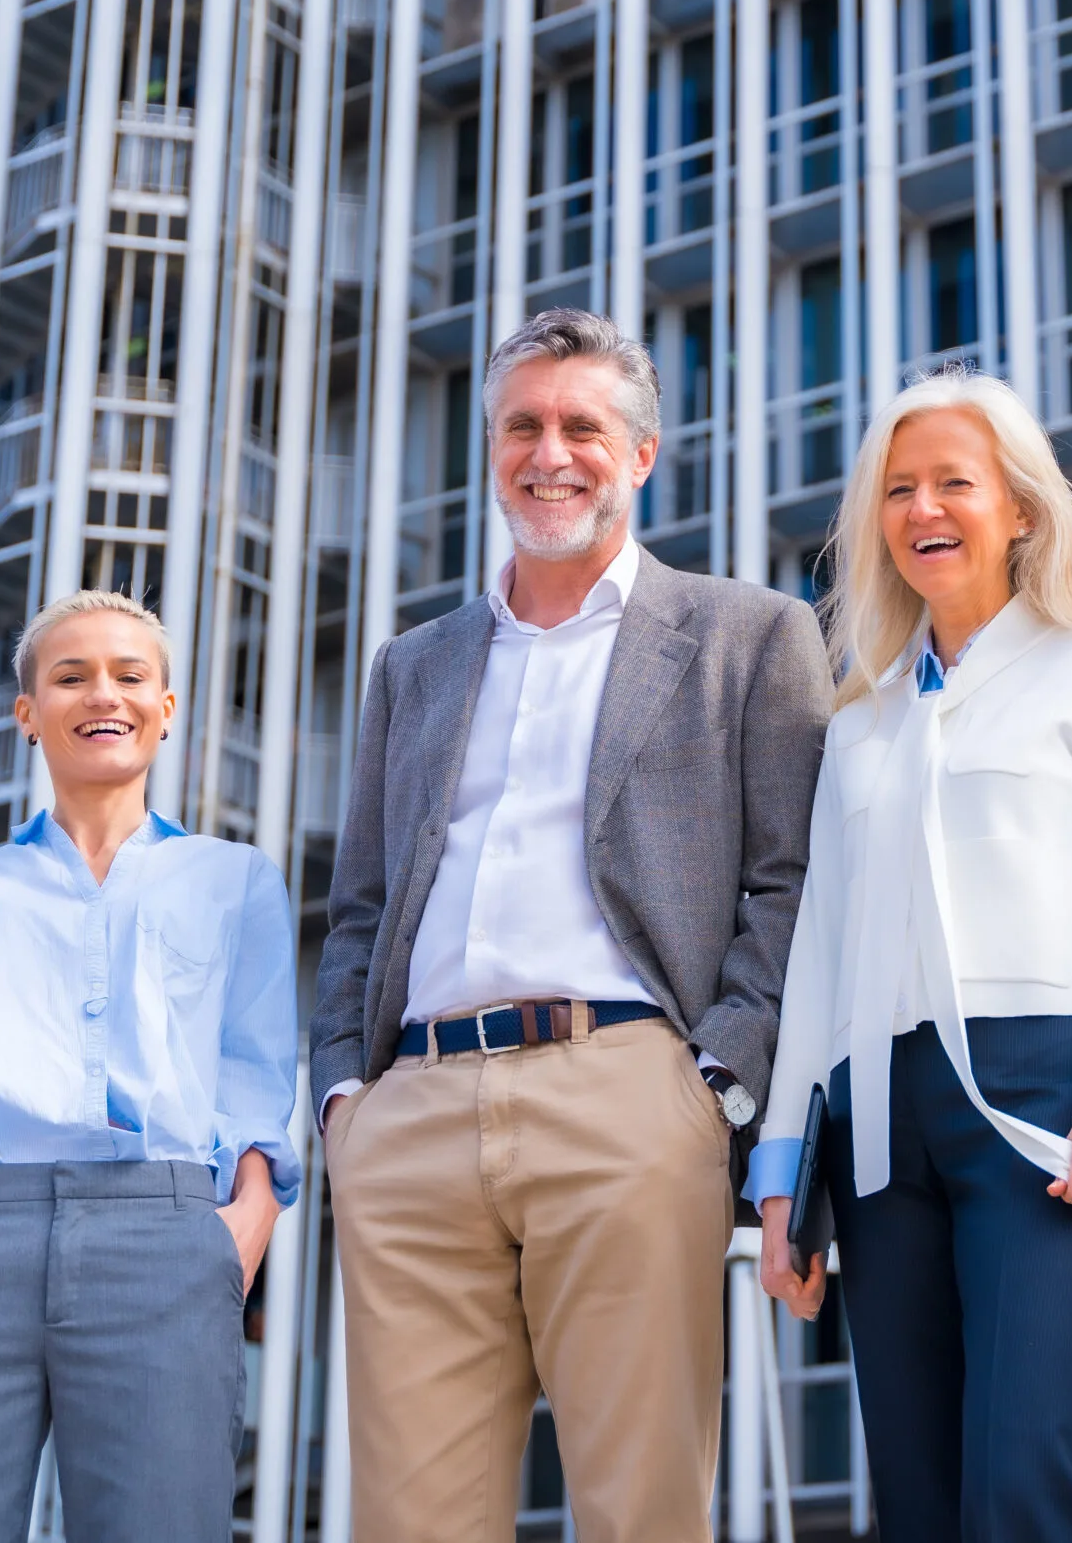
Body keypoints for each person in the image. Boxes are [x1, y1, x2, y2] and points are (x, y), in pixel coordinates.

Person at [312, 307, 833, 1543]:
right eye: (522, 426)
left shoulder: (748, 635)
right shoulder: (414, 666)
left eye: (581, 427)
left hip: (629, 1100)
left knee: (640, 1512)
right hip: (414, 1120)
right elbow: (362, 909)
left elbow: (793, 879)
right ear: (491, 448)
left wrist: (713, 1084)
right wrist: (345, 1099)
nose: (550, 452)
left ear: (641, 454)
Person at [753, 366, 1072, 1542]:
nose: (924, 510)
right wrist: (777, 1180)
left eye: (953, 483)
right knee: (918, 1501)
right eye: (898, 490)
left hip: (1043, 1103)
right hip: (873, 1128)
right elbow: (817, 951)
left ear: (1018, 508)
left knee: (1033, 1489)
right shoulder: (858, 722)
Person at [0, 589, 299, 1543]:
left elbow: (255, 1077)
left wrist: (243, 1223)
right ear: (27, 714)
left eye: (132, 675)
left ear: (166, 707)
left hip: (167, 1237)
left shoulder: (238, 881)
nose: (106, 693)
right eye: (71, 675)